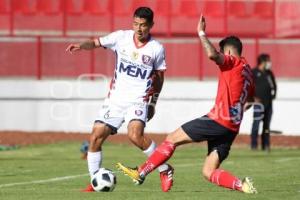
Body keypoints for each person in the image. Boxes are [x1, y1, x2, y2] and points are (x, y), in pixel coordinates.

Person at [116, 14, 258, 194]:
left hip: (219, 120)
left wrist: (201, 32)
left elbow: (212, 54)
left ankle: (142, 172)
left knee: (171, 139)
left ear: (228, 52)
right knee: (208, 171)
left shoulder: (233, 62)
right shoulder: (249, 73)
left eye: (224, 53)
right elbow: (251, 101)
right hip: (231, 128)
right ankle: (242, 185)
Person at [66, 7, 174, 192]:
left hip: (139, 100)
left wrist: (153, 103)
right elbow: (96, 42)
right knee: (95, 137)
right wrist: (81, 46)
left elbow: (160, 79)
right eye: (136, 24)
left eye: (144, 25)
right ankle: (95, 180)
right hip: (115, 100)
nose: (139, 29)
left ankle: (164, 169)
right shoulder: (121, 38)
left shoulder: (156, 48)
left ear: (151, 26)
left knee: (135, 135)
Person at [251, 54, 277, 151]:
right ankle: (254, 145)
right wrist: (253, 98)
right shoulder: (254, 72)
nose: (269, 63)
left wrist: (274, 95)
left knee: (266, 126)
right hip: (258, 104)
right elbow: (249, 86)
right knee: (256, 124)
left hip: (268, 103)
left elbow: (274, 85)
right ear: (263, 62)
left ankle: (265, 145)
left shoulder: (269, 73)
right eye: (268, 61)